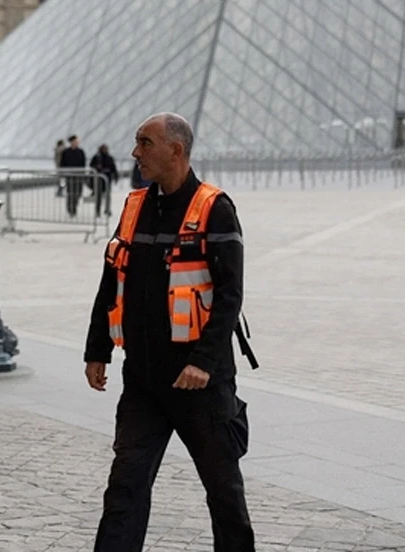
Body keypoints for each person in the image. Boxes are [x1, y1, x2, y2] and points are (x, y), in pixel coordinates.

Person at [85, 113, 258, 552]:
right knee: (124, 489)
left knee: (224, 494)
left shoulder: (214, 208)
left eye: (145, 142)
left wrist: (203, 363)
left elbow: (229, 295)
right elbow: (112, 280)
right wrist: (98, 349)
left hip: (199, 383)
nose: (135, 152)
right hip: (144, 380)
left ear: (175, 151)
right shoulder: (134, 205)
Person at [60, 135, 87, 217]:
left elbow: (83, 163)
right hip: (70, 176)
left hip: (79, 176)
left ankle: (74, 206)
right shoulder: (66, 152)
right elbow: (62, 163)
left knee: (78, 193)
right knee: (70, 193)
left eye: (77, 141)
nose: (77, 143)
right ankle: (71, 209)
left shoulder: (81, 152)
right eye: (75, 141)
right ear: (71, 142)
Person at [89, 144, 119, 217]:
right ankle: (98, 210)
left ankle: (107, 209)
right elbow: (92, 167)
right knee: (99, 196)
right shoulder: (97, 157)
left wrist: (115, 176)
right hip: (99, 179)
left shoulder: (109, 157)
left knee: (107, 196)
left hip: (107, 179)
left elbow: (113, 168)